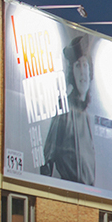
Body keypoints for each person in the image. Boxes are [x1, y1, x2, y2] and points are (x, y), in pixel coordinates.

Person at [40, 34, 97, 186]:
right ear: (72, 73)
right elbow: (47, 157)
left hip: (88, 195)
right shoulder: (65, 108)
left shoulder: (86, 113)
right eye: (78, 65)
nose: (83, 72)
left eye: (85, 65)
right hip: (71, 193)